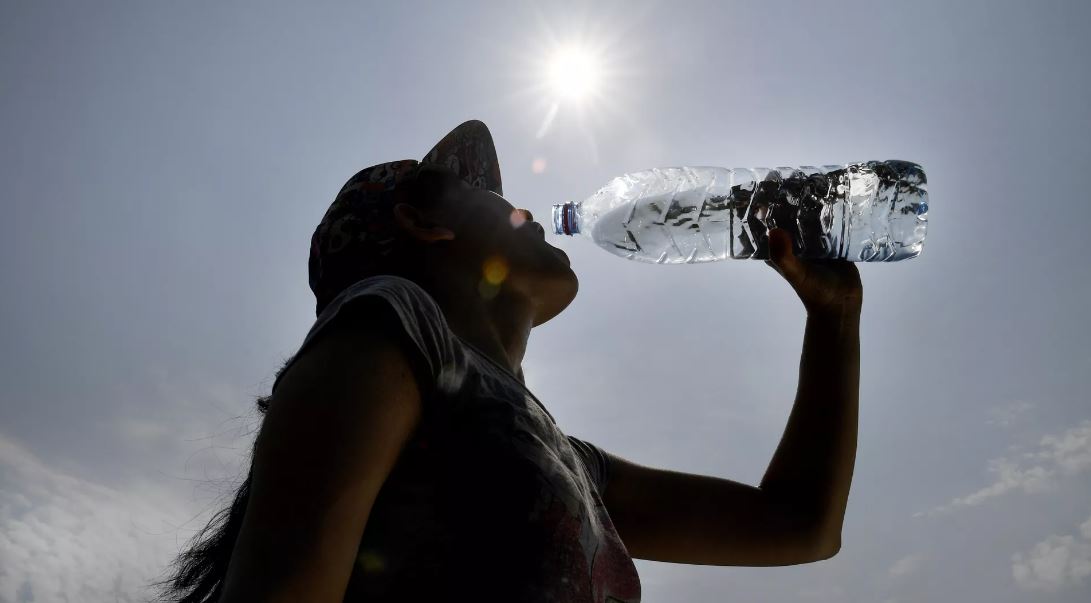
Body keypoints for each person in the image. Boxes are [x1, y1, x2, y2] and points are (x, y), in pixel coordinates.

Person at [154, 120, 862, 602]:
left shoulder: (563, 457)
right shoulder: (388, 326)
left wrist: (832, 319)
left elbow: (798, 525)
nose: (524, 209)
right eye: (496, 199)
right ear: (425, 221)